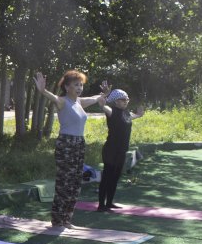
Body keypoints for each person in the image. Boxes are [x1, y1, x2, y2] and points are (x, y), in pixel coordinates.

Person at [34, 71, 105, 228]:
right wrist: (43, 91)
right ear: (67, 87)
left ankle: (66, 219)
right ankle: (57, 220)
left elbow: (94, 98)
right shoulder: (63, 102)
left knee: (75, 183)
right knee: (64, 183)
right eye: (76, 85)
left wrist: (102, 95)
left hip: (79, 143)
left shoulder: (79, 102)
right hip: (66, 144)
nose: (79, 88)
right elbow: (52, 97)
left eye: (81, 85)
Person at [96, 83, 145, 211]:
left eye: (127, 99)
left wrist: (139, 115)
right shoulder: (111, 111)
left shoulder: (126, 113)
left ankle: (109, 203)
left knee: (116, 176)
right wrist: (105, 94)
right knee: (107, 177)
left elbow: (132, 117)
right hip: (111, 150)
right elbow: (102, 105)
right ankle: (101, 205)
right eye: (123, 99)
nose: (126, 101)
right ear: (116, 101)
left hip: (122, 151)